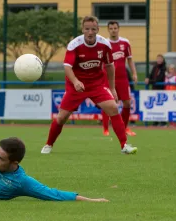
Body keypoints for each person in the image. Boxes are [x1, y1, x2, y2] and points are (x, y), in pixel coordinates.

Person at [41, 16, 137, 155]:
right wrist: (75, 82)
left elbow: (110, 66)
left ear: (98, 29)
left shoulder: (104, 45)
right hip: (76, 85)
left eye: (93, 29)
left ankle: (124, 145)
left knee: (113, 108)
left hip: (97, 84)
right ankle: (48, 144)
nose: (90, 32)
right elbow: (67, 67)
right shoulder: (75, 44)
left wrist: (112, 88)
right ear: (83, 29)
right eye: (87, 29)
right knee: (62, 117)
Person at [100, 21, 138, 137]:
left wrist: (134, 73)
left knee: (127, 103)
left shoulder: (125, 43)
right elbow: (101, 61)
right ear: (108, 29)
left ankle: (125, 127)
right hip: (109, 78)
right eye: (111, 28)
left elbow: (130, 59)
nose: (113, 30)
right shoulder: (105, 43)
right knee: (108, 103)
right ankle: (106, 128)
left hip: (122, 78)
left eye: (115, 28)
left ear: (118, 29)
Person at [145, 54, 167, 126]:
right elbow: (151, 75)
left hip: (161, 89)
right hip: (154, 89)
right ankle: (155, 122)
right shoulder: (155, 67)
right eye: (158, 59)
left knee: (162, 106)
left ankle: (163, 122)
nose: (159, 60)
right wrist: (148, 78)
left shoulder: (164, 68)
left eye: (160, 59)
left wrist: (150, 81)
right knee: (155, 106)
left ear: (163, 60)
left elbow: (160, 79)